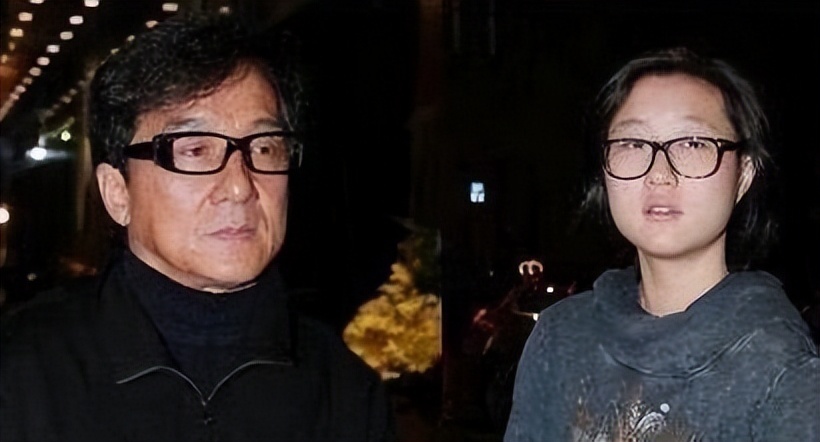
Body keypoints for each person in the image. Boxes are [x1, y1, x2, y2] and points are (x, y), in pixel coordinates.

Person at [0, 12, 395, 442]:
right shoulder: (23, 374)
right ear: (118, 193)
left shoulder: (344, 391)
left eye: (264, 148)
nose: (240, 187)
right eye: (194, 150)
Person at [504, 47, 820, 441]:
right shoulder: (560, 338)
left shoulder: (784, 371)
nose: (659, 173)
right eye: (633, 144)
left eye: (693, 144)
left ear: (743, 175)